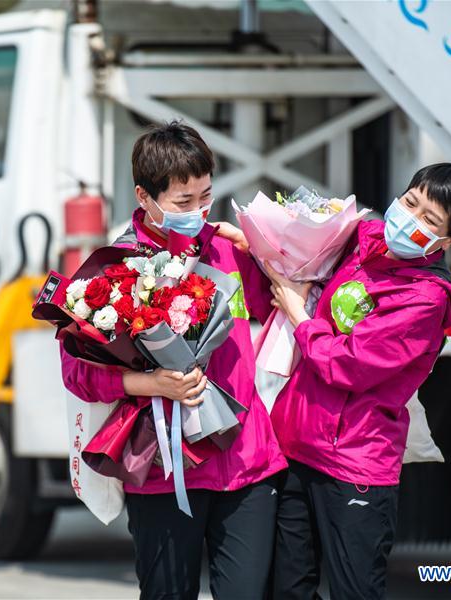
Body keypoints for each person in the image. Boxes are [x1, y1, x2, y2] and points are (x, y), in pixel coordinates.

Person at [60, 121, 287, 600]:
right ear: (145, 197)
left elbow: (281, 307)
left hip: (246, 462)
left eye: (206, 196)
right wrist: (153, 385)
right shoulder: (113, 270)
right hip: (165, 472)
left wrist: (270, 253)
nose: (199, 211)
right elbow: (77, 371)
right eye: (183, 203)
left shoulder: (229, 248)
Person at [262, 163, 451, 599]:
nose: (410, 219)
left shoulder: (425, 300)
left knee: (355, 591)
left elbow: (347, 364)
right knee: (287, 590)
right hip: (297, 447)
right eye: (411, 202)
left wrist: (300, 315)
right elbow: (299, 250)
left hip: (353, 466)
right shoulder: (365, 243)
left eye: (430, 219)